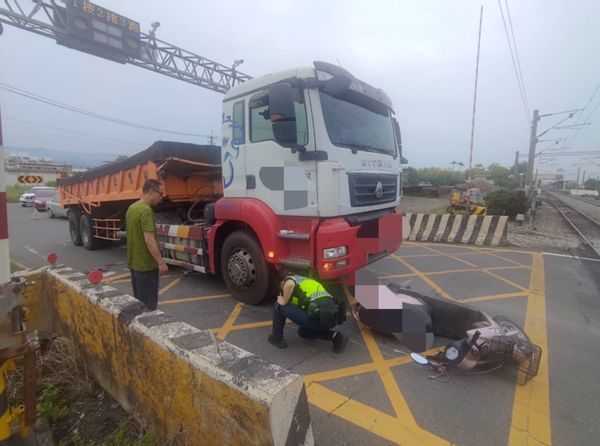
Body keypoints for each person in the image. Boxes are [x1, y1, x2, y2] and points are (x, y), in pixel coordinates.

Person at [269, 273, 348, 353]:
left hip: (320, 316)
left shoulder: (289, 280)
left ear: (282, 283)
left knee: (279, 305)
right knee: (303, 332)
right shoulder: (306, 281)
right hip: (333, 317)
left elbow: (289, 284)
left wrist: (284, 300)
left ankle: (276, 338)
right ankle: (335, 336)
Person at [126, 179, 169, 311]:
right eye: (160, 194)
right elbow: (149, 240)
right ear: (151, 191)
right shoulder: (146, 210)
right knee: (149, 307)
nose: (162, 197)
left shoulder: (132, 208)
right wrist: (161, 262)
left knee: (140, 304)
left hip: (135, 265)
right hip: (146, 266)